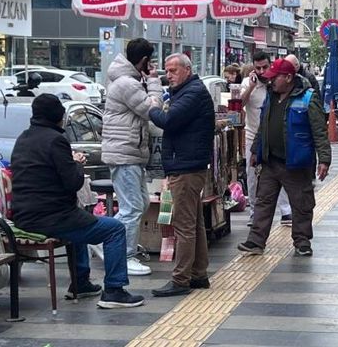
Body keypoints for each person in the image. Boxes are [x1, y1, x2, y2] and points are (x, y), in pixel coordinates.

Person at [11, 94, 144, 309]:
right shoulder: (56, 140)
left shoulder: (23, 138)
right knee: (115, 229)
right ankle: (114, 290)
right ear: (58, 116)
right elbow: (72, 182)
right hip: (51, 217)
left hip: (24, 215)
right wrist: (77, 163)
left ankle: (81, 284)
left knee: (82, 221)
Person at [238, 59, 331, 257]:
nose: (271, 82)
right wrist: (256, 150)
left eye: (275, 77)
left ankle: (302, 241)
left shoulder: (308, 98)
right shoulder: (271, 96)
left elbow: (319, 131)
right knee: (264, 201)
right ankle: (256, 241)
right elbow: (263, 126)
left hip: (296, 162)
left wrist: (324, 159)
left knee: (301, 203)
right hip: (270, 161)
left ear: (288, 77)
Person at [148, 54, 215, 297]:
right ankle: (198, 274)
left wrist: (151, 107)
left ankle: (181, 279)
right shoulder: (187, 91)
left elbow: (168, 119)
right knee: (194, 223)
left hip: (186, 167)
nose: (169, 75)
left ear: (187, 70)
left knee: (183, 225)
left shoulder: (193, 92)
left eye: (174, 70)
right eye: (167, 70)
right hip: (188, 164)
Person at [102, 38, 163, 276]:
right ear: (145, 60)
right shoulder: (127, 83)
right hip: (124, 153)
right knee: (132, 207)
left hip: (130, 152)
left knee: (140, 204)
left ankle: (103, 239)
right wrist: (155, 82)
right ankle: (124, 255)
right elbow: (152, 110)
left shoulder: (128, 80)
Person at [241, 52, 292, 227]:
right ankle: (254, 212)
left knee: (282, 171)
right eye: (258, 68)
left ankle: (286, 210)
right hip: (252, 135)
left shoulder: (276, 83)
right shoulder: (248, 83)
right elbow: (238, 103)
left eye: (265, 67)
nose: (262, 71)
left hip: (273, 136)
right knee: (252, 175)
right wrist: (251, 87)